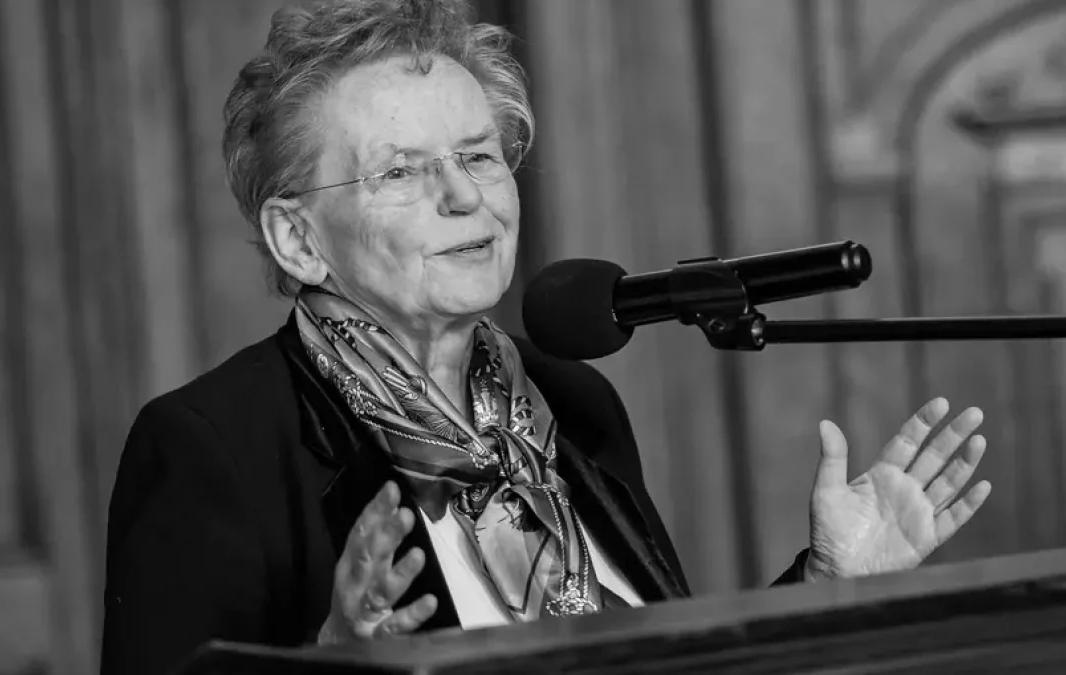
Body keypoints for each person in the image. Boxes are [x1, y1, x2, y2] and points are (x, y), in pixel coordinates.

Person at [98, 1, 992, 674]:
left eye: (479, 155)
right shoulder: (215, 448)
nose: (465, 197)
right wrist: (336, 657)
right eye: (401, 173)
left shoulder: (570, 403)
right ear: (298, 238)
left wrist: (827, 586)